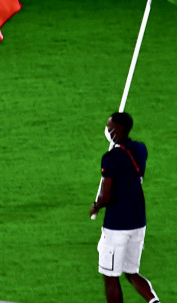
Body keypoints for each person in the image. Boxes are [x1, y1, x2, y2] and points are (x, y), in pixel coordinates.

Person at [90, 111, 160, 303]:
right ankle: (155, 302)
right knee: (131, 272)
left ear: (118, 130)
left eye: (110, 127)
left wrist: (95, 206)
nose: (107, 129)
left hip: (117, 226)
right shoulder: (140, 149)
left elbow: (105, 195)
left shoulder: (111, 158)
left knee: (110, 277)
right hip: (138, 221)